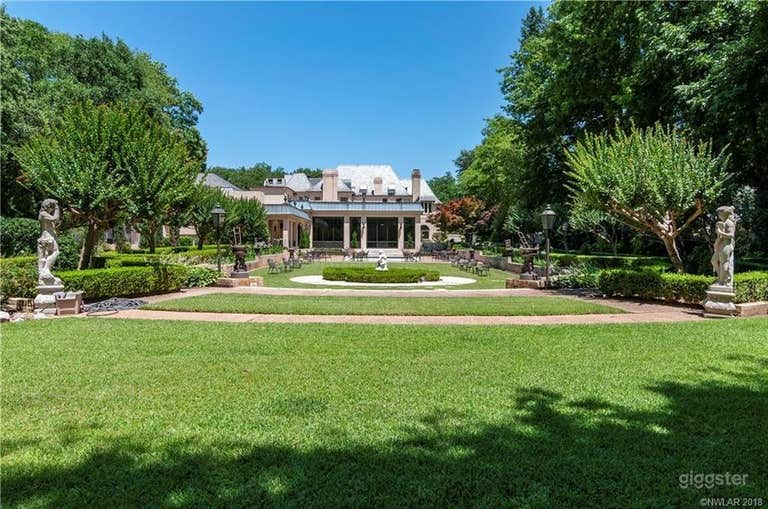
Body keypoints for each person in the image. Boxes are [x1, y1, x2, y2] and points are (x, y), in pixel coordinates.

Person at [37, 199, 62, 286]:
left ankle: (45, 272)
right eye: (51, 207)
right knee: (56, 252)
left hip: (49, 237)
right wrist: (57, 208)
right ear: (47, 207)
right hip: (47, 237)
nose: (52, 209)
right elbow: (55, 219)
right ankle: (46, 270)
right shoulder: (43, 214)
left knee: (48, 255)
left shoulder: (44, 214)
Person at [711, 206, 736, 286]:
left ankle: (721, 281)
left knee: (724, 263)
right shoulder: (723, 222)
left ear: (724, 214)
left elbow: (731, 235)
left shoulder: (729, 223)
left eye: (719, 213)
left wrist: (720, 232)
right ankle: (720, 276)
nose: (718, 215)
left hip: (726, 245)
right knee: (713, 261)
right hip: (720, 244)